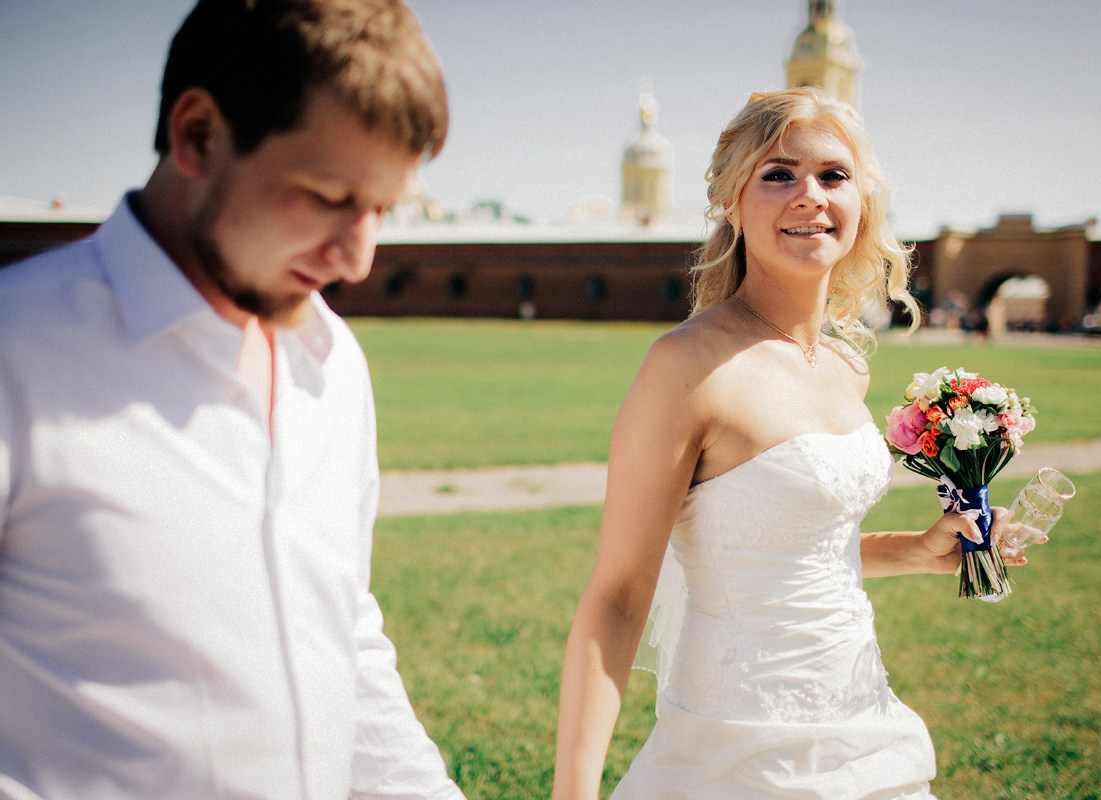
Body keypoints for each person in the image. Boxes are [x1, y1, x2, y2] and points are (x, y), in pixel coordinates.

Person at [0, 1, 465, 797]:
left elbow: (340, 634)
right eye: (327, 195)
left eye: (385, 209)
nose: (359, 258)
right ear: (198, 135)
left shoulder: (333, 363)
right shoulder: (18, 354)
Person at [551, 87, 1042, 799]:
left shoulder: (847, 363)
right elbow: (622, 594)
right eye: (778, 174)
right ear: (730, 199)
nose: (810, 196)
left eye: (833, 176)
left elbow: (785, 548)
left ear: (862, 202)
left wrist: (915, 548)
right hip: (735, 746)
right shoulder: (687, 365)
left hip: (863, 723)